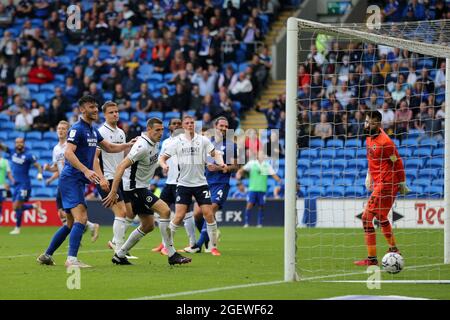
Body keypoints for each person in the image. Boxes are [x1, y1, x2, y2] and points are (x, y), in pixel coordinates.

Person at [36, 95, 135, 268]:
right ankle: (71, 260)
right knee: (81, 218)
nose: (95, 110)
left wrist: (128, 144)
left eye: (96, 107)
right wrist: (86, 170)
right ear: (82, 110)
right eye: (91, 107)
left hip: (75, 181)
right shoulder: (77, 129)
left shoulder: (92, 130)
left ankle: (47, 255)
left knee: (70, 223)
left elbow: (110, 148)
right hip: (71, 180)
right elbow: (68, 153)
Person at [102, 118, 191, 266]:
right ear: (148, 130)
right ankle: (171, 254)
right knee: (165, 211)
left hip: (142, 187)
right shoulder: (142, 146)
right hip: (135, 189)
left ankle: (119, 255)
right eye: (157, 130)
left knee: (148, 225)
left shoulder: (153, 143)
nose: (160, 133)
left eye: (162, 130)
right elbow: (121, 167)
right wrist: (113, 191)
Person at [160, 116, 226, 257]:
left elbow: (215, 153)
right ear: (183, 126)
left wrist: (221, 163)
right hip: (183, 184)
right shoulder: (177, 141)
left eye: (192, 123)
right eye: (187, 123)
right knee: (178, 216)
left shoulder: (203, 140)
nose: (190, 125)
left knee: (208, 214)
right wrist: (164, 165)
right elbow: (162, 157)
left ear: (194, 125)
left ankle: (212, 247)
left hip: (201, 184)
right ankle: (167, 246)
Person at [354, 110, 410, 266]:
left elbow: (397, 162)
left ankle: (372, 260)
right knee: (380, 216)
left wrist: (402, 182)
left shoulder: (386, 142)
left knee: (366, 218)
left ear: (377, 124)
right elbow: (371, 158)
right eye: (365, 121)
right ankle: (394, 249)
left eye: (369, 122)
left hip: (386, 184)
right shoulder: (368, 137)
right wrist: (369, 174)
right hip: (379, 182)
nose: (366, 124)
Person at [185, 117, 238, 254]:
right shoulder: (208, 143)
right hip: (204, 182)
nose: (224, 128)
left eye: (226, 126)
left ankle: (197, 245)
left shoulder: (232, 145)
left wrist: (220, 168)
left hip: (221, 183)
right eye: (221, 126)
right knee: (197, 214)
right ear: (215, 127)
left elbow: (236, 166)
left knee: (210, 211)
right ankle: (210, 235)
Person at [93, 101, 137, 259]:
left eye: (117, 111)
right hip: (107, 178)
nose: (115, 114)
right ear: (105, 115)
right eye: (111, 112)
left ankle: (115, 242)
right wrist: (101, 178)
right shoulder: (101, 132)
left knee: (130, 212)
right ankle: (119, 250)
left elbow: (123, 156)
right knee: (121, 212)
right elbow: (95, 159)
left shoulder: (121, 132)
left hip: (120, 178)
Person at [44, 120, 99, 241]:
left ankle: (81, 233)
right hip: (62, 182)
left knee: (67, 215)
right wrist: (49, 169)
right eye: (59, 128)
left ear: (68, 131)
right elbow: (57, 168)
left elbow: (67, 166)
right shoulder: (56, 149)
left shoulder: (70, 147)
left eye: (64, 128)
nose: (61, 131)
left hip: (70, 182)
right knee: (64, 214)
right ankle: (88, 228)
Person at [151, 118, 198, 256]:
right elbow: (161, 159)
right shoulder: (165, 142)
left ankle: (193, 243)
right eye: (174, 123)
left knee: (186, 213)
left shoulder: (187, 141)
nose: (177, 125)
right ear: (169, 126)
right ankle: (164, 243)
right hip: (169, 182)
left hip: (182, 182)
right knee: (162, 212)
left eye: (179, 123)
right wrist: (163, 167)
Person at [0, 138, 46, 235]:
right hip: (16, 185)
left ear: (24, 144)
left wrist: (40, 174)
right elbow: (2, 147)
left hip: (24, 184)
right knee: (15, 207)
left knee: (17, 206)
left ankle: (17, 228)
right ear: (15, 144)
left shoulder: (28, 155)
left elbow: (38, 165)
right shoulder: (12, 152)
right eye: (17, 142)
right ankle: (34, 206)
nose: (19, 144)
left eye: (21, 142)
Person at [236, 150, 282, 228]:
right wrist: (239, 174)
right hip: (252, 188)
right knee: (249, 204)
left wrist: (280, 181)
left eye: (263, 154)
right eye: (260, 154)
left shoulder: (267, 165)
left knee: (261, 206)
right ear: (257, 156)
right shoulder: (252, 163)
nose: (261, 155)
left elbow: (273, 174)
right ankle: (247, 223)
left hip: (262, 189)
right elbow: (242, 169)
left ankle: (259, 223)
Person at [0, 150, 14, 220]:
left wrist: (12, 181)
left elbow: (9, 173)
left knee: (1, 202)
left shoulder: (5, 161)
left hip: (2, 186)